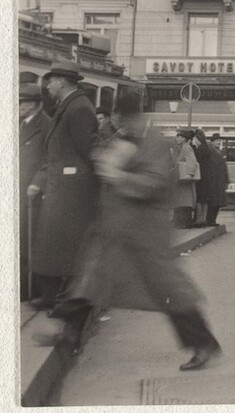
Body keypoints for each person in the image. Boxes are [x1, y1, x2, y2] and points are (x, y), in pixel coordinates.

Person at [34, 91, 222, 368]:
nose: (118, 122)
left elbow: (154, 182)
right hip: (116, 227)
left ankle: (203, 343)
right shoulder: (126, 136)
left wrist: (118, 176)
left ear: (130, 115)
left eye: (120, 117)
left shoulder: (152, 141)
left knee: (167, 289)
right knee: (90, 281)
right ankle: (69, 337)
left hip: (146, 232)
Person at [27, 61, 99, 311]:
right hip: (63, 189)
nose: (47, 86)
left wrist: (80, 185)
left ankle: (66, 301)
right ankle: (54, 297)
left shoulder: (78, 108)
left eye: (50, 81)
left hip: (72, 192)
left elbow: (88, 152)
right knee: (53, 246)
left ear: (61, 81)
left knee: (64, 248)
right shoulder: (70, 105)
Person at [19, 83, 47, 301]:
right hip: (15, 190)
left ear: (34, 104)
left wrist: (37, 182)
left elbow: (50, 159)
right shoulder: (19, 123)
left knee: (28, 239)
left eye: (22, 102)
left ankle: (29, 289)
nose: (18, 106)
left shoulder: (46, 125)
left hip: (32, 194)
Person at [172, 128, 199, 228]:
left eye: (180, 137)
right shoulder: (181, 147)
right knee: (181, 201)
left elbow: (192, 161)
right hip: (181, 179)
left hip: (185, 179)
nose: (177, 138)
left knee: (184, 202)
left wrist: (190, 174)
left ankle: (184, 223)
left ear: (184, 138)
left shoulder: (186, 147)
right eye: (177, 137)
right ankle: (181, 222)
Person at [204, 135, 230, 227]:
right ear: (212, 142)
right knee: (213, 201)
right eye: (216, 140)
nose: (218, 142)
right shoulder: (209, 151)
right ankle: (210, 220)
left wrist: (226, 180)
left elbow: (224, 167)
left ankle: (212, 220)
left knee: (218, 202)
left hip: (219, 180)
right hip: (213, 180)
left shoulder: (220, 152)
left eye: (219, 140)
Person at [191, 129, 213, 227]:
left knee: (199, 199)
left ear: (197, 139)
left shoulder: (200, 149)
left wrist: (193, 147)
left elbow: (196, 160)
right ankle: (204, 219)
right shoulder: (207, 148)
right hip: (207, 177)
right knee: (205, 200)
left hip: (201, 176)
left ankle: (198, 220)